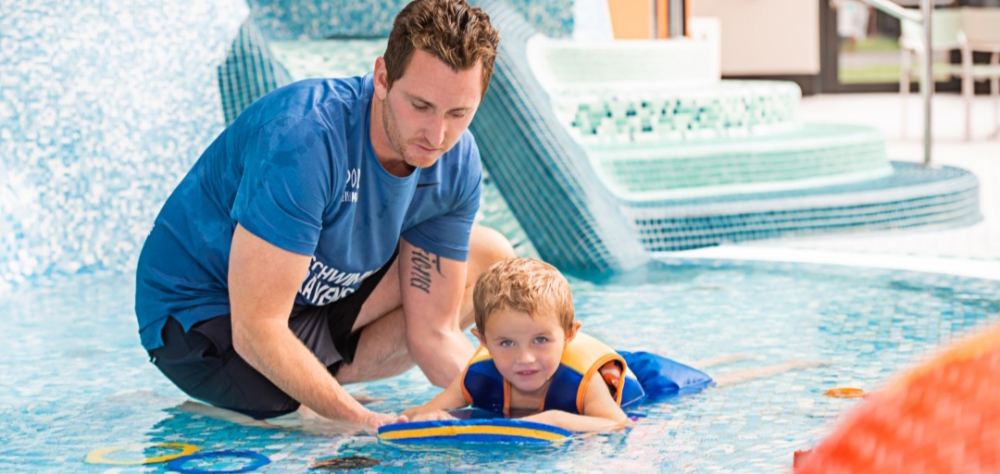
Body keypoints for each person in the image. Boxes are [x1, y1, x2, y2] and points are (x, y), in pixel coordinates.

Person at [134, 0, 512, 432]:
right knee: (296, 410)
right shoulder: (305, 140)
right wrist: (362, 419)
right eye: (421, 106)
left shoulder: (455, 163)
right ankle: (294, 386)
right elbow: (256, 326)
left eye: (459, 113)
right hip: (201, 312)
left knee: (488, 258)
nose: (437, 134)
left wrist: (517, 403)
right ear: (383, 78)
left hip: (308, 301)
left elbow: (435, 334)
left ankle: (311, 376)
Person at [401, 258, 825, 432]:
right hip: (610, 370)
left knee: (716, 378)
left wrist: (556, 419)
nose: (524, 358)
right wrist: (421, 416)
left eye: (541, 340)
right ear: (482, 342)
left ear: (569, 336)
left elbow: (617, 424)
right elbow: (430, 408)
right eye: (507, 343)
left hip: (648, 380)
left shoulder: (577, 381)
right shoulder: (479, 374)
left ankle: (778, 364)